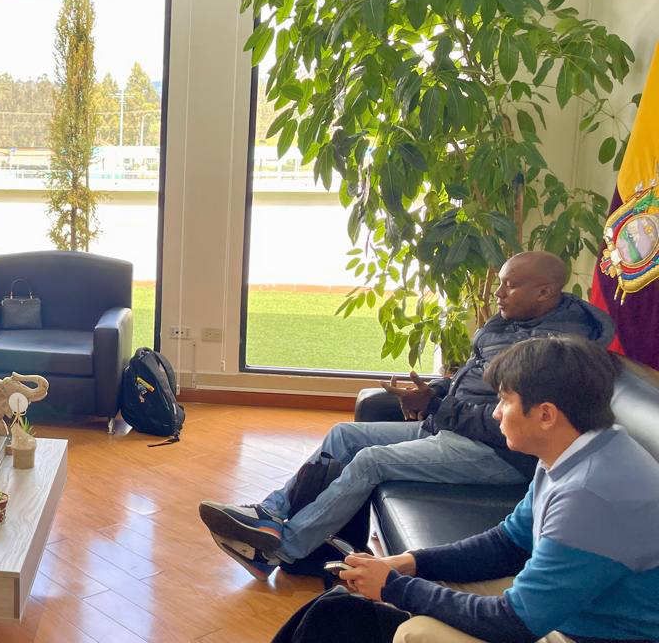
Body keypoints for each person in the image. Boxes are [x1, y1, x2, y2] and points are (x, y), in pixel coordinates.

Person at [199, 251, 615, 580]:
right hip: (450, 428)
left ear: (544, 292)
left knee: (371, 461)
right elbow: (470, 380)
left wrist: (436, 406)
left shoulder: (555, 353)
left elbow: (503, 424)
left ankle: (280, 550)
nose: (498, 293)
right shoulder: (510, 321)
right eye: (501, 283)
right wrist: (433, 392)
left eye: (510, 285)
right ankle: (270, 515)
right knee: (344, 434)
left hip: (496, 454)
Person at [338, 336, 659, 643]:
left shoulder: (589, 496)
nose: (495, 412)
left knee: (417, 633)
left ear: (546, 414)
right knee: (412, 588)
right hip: (570, 610)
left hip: (597, 635)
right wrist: (408, 563)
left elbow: (514, 623)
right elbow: (508, 543)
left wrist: (394, 587)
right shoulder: (578, 449)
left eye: (505, 401)